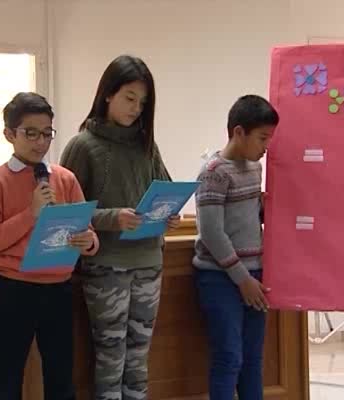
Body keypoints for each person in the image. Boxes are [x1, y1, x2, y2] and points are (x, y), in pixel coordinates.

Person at [59, 55, 180, 400]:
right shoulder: (83, 146)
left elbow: (164, 190)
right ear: (108, 94)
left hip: (148, 264)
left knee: (139, 359)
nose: (135, 109)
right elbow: (66, 216)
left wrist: (170, 214)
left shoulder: (146, 145)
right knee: (111, 358)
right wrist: (113, 218)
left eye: (142, 103)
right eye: (129, 98)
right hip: (107, 267)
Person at [0, 92, 99, 400]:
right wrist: (30, 214)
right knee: (5, 377)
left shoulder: (65, 178)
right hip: (15, 289)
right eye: (31, 133)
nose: (40, 142)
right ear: (9, 134)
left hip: (58, 289)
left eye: (47, 133)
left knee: (61, 378)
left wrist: (89, 242)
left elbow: (88, 231)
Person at [193, 94, 279, 400]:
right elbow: (212, 233)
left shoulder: (254, 169)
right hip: (221, 278)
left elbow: (251, 217)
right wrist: (242, 279)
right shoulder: (214, 172)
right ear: (238, 132)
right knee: (229, 357)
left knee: (252, 361)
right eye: (262, 138)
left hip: (254, 276)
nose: (266, 147)